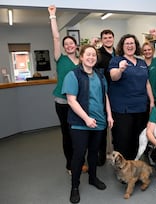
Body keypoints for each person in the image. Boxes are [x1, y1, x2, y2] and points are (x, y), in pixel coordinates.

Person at [62, 45, 114, 203]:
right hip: (80, 123)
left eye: (94, 55)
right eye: (88, 55)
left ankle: (93, 178)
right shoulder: (73, 75)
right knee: (78, 155)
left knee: (94, 153)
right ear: (81, 57)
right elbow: (71, 100)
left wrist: (109, 115)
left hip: (99, 122)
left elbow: (105, 95)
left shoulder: (100, 75)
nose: (91, 57)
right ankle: (75, 186)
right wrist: (86, 118)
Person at [48, 5, 84, 175]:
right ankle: (70, 165)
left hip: (78, 102)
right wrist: (53, 16)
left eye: (72, 43)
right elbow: (56, 37)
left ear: (77, 46)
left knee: (79, 133)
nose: (69, 45)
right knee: (67, 133)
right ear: (64, 47)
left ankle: (80, 162)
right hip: (62, 102)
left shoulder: (82, 62)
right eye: (66, 44)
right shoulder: (60, 59)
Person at [108, 34, 154, 160]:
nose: (130, 46)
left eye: (132, 43)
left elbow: (147, 82)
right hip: (123, 109)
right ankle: (122, 169)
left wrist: (152, 102)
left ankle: (135, 166)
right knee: (123, 139)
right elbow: (113, 77)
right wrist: (120, 70)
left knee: (138, 138)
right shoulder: (116, 60)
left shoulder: (142, 62)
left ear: (136, 46)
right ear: (122, 46)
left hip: (140, 107)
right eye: (127, 43)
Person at [91, 29, 116, 166]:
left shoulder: (118, 53)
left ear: (113, 38)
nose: (108, 39)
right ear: (102, 39)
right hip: (103, 95)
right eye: (105, 37)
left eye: (110, 37)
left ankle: (115, 153)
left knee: (115, 126)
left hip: (118, 95)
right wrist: (92, 46)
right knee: (102, 126)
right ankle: (100, 156)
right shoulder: (98, 54)